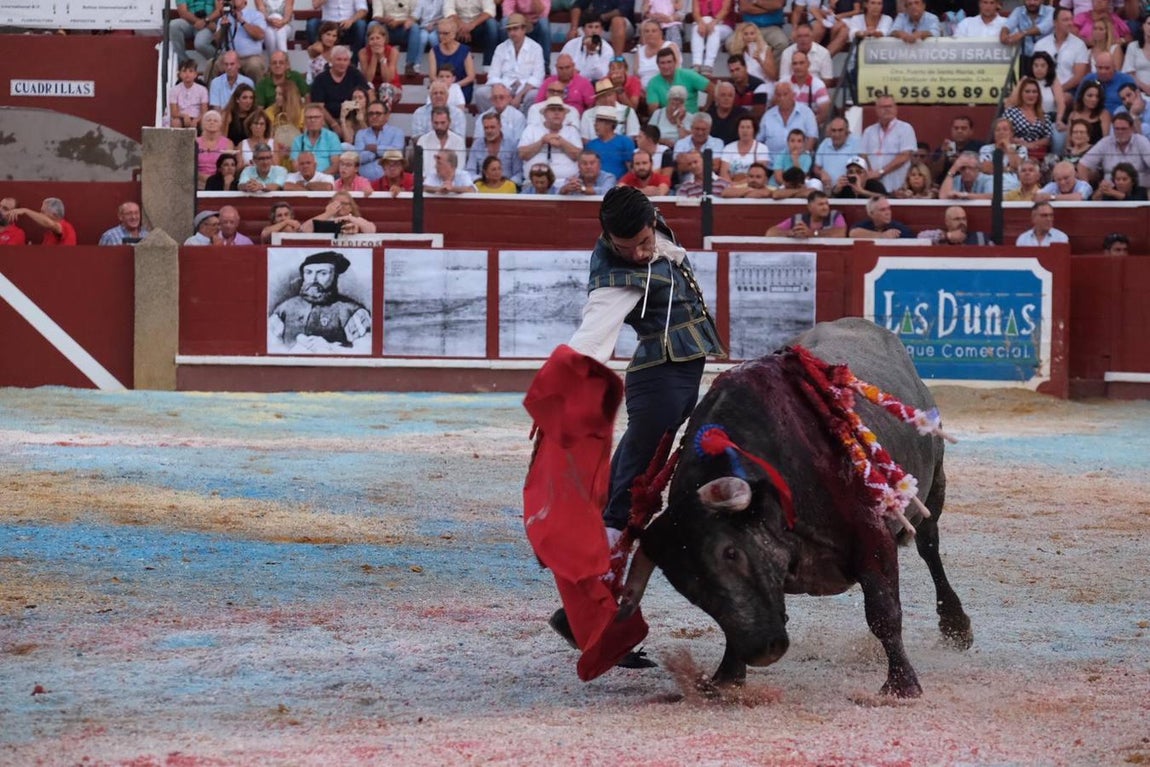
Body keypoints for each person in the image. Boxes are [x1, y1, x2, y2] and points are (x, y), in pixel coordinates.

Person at [565, 184, 724, 581]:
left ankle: (600, 522)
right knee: (644, 455)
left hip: (677, 368)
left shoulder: (647, 222)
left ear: (652, 221)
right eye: (625, 248)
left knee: (644, 451)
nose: (636, 254)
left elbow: (662, 249)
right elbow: (591, 335)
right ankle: (609, 538)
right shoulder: (615, 278)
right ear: (607, 237)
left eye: (643, 242)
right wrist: (565, 383)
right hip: (658, 375)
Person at [268, 250, 372, 353]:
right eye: (308, 272)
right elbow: (270, 346)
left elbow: (365, 351)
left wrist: (330, 348)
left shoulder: (351, 311)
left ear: (335, 276)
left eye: (322, 273)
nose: (313, 280)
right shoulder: (285, 308)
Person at [474, 13, 546, 113]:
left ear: (524, 29)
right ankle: (493, 121)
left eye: (515, 29)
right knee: (480, 93)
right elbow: (493, 75)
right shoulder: (501, 48)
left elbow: (538, 77)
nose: (512, 33)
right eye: (509, 29)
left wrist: (519, 95)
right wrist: (503, 93)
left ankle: (526, 125)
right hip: (504, 86)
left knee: (534, 95)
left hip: (525, 89)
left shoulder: (536, 48)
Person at [859, 92, 917, 193]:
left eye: (890, 106)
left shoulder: (905, 128)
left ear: (896, 108)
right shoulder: (869, 131)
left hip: (897, 187)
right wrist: (870, 173)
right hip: (873, 187)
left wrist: (881, 172)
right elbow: (863, 155)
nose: (887, 109)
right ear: (876, 110)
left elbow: (904, 156)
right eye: (882, 107)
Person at [518, 96, 584, 181]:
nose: (556, 113)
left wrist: (561, 142)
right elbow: (522, 155)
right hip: (534, 183)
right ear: (545, 114)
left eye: (560, 110)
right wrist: (542, 142)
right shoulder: (531, 129)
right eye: (552, 110)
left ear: (564, 115)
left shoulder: (572, 131)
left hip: (566, 182)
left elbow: (579, 156)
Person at [1078, 112, 1150, 188]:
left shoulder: (1141, 141)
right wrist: (1086, 188)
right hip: (1111, 193)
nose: (1120, 132)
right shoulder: (1105, 142)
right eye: (1117, 129)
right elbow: (1082, 165)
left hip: (1138, 192)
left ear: (1132, 128)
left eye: (1123, 129)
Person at [1034, 8, 1090, 96]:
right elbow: (1034, 71)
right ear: (1055, 22)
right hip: (1042, 88)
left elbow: (1078, 77)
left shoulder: (1079, 45)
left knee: (1063, 99)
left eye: (1071, 19)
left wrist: (1058, 90)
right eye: (1065, 20)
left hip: (1068, 90)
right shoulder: (1041, 44)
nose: (1070, 23)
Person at [311, 46, 371, 126]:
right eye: (338, 59)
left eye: (345, 60)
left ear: (349, 62)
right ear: (331, 60)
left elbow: (369, 93)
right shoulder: (321, 79)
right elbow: (319, 106)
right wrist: (334, 124)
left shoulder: (355, 74)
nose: (342, 63)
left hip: (352, 118)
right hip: (329, 119)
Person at [644, 46, 714, 115]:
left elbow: (712, 88)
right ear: (658, 65)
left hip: (692, 120)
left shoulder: (689, 75)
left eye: (669, 62)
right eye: (662, 63)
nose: (666, 66)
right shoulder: (653, 82)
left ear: (675, 63)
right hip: (668, 119)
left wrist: (706, 109)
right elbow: (653, 109)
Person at [756, 81, 818, 155]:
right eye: (778, 95)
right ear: (775, 97)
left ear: (793, 95)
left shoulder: (806, 112)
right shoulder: (768, 115)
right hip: (772, 163)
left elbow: (812, 138)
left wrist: (803, 158)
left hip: (798, 162)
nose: (782, 98)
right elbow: (759, 141)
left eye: (785, 94)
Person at [215, 0, 269, 81]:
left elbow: (260, 35)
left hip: (250, 57)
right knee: (212, 65)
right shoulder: (225, 16)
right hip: (228, 58)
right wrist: (222, 28)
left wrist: (241, 20)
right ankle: (208, 93)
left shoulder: (255, 15)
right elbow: (216, 42)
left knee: (255, 65)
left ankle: (259, 93)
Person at [428, 17, 478, 103]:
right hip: (441, 88)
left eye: (445, 33)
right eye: (439, 33)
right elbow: (432, 76)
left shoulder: (464, 50)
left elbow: (471, 76)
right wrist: (443, 86)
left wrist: (454, 86)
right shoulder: (434, 51)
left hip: (461, 87)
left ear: (454, 34)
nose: (441, 36)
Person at [370, 0, 424, 77]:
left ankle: (410, 65)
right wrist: (386, 20)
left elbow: (415, 16)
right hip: (386, 28)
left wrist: (399, 22)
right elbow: (376, 15)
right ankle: (373, 62)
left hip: (404, 28)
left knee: (415, 27)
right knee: (372, 25)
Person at [415, 106, 469, 183]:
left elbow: (459, 168)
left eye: (442, 123)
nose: (439, 126)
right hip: (427, 185)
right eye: (436, 123)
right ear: (431, 122)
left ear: (449, 122)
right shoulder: (422, 140)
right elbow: (420, 170)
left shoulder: (458, 141)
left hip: (453, 185)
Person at [467, 112, 523, 184]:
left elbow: (519, 173)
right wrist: (482, 181)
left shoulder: (512, 144)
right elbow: (470, 171)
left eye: (492, 127)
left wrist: (507, 185)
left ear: (500, 126)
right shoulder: (477, 144)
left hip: (507, 188)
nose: (489, 131)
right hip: (482, 188)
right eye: (486, 128)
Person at [354, 101, 404, 181]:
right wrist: (377, 155)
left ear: (387, 116)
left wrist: (375, 149)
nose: (374, 116)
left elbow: (396, 153)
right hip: (364, 182)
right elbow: (359, 158)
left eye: (378, 113)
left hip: (390, 181)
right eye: (371, 114)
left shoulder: (397, 132)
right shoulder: (361, 134)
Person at [169, 0, 221, 74]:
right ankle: (185, 63)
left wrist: (205, 21)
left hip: (209, 22)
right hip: (190, 22)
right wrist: (199, 22)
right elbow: (183, 12)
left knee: (200, 43)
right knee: (173, 25)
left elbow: (219, 10)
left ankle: (219, 61)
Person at [765, 190, 847, 237]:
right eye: (821, 204)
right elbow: (770, 232)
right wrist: (790, 233)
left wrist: (813, 233)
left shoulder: (835, 215)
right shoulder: (798, 218)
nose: (825, 207)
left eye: (826, 203)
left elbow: (841, 233)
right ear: (810, 207)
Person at [442, 0, 499, 66]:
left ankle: (488, 66)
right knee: (446, 25)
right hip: (458, 27)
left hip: (477, 26)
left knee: (491, 24)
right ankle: (447, 68)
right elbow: (448, 10)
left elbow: (490, 11)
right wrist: (461, 25)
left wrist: (471, 25)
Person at [561, 15, 616, 82]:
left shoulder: (607, 49)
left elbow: (601, 74)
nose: (594, 31)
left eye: (597, 27)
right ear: (583, 29)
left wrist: (593, 52)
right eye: (590, 27)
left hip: (596, 85)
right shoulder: (571, 44)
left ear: (601, 30)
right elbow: (557, 68)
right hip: (572, 82)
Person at [585, 107, 636, 179]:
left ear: (609, 124)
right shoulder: (590, 146)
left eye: (598, 121)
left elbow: (631, 170)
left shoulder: (625, 142)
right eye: (595, 121)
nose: (595, 125)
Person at [291, 103, 343, 173]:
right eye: (309, 117)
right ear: (305, 121)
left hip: (326, 178)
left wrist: (318, 178)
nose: (313, 120)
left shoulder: (332, 137)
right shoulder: (298, 140)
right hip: (303, 178)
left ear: (323, 120)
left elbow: (335, 165)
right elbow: (295, 166)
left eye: (316, 117)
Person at [1000, 0, 1052, 69]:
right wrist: (1004, 34)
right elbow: (1008, 25)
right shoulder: (1018, 11)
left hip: (1047, 59)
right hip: (1025, 59)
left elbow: (1043, 28)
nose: (1032, 3)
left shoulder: (1051, 11)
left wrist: (1022, 33)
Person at [690, 0, 734, 76]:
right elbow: (695, 13)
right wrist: (701, 23)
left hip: (724, 25)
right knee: (696, 28)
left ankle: (708, 64)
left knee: (714, 30)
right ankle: (696, 63)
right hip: (704, 24)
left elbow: (725, 10)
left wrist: (713, 22)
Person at [357, 24, 403, 97]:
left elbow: (387, 79)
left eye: (378, 38)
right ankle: (371, 108)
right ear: (368, 41)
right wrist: (374, 56)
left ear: (384, 39)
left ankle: (384, 108)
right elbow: (368, 79)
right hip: (372, 84)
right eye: (372, 39)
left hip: (392, 85)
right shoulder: (363, 52)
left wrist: (382, 56)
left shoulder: (393, 51)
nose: (375, 41)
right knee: (368, 86)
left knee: (385, 87)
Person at [8, 198, 77, 246]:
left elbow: (52, 225)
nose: (40, 214)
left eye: (43, 212)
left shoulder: (65, 226)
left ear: (54, 215)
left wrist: (26, 211)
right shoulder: (49, 234)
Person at [300, 191, 378, 233]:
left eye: (345, 204)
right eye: (337, 203)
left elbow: (371, 230)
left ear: (351, 207)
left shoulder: (356, 219)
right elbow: (304, 229)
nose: (341, 206)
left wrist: (349, 218)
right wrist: (328, 213)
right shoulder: (325, 219)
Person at [723, 114, 771, 180]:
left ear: (754, 130)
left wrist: (740, 183)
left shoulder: (762, 148)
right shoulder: (728, 148)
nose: (745, 130)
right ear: (737, 130)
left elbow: (759, 175)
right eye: (742, 127)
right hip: (731, 186)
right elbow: (724, 174)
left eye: (748, 127)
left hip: (753, 186)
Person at [848, 195, 915, 238]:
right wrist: (882, 235)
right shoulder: (866, 224)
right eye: (882, 210)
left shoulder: (897, 227)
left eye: (888, 208)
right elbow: (853, 233)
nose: (888, 213)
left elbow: (912, 238)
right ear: (871, 214)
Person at [922, 205, 994, 245]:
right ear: (947, 222)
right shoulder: (940, 238)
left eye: (964, 219)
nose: (962, 222)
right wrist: (947, 236)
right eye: (957, 219)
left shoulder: (980, 236)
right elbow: (921, 237)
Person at [170, 59, 210, 130]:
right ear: (180, 74)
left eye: (191, 71)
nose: (187, 74)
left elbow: (204, 111)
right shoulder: (174, 90)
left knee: (205, 122)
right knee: (175, 122)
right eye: (184, 71)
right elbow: (173, 112)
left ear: (195, 74)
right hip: (181, 117)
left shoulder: (202, 90)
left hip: (197, 118)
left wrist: (197, 120)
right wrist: (184, 116)